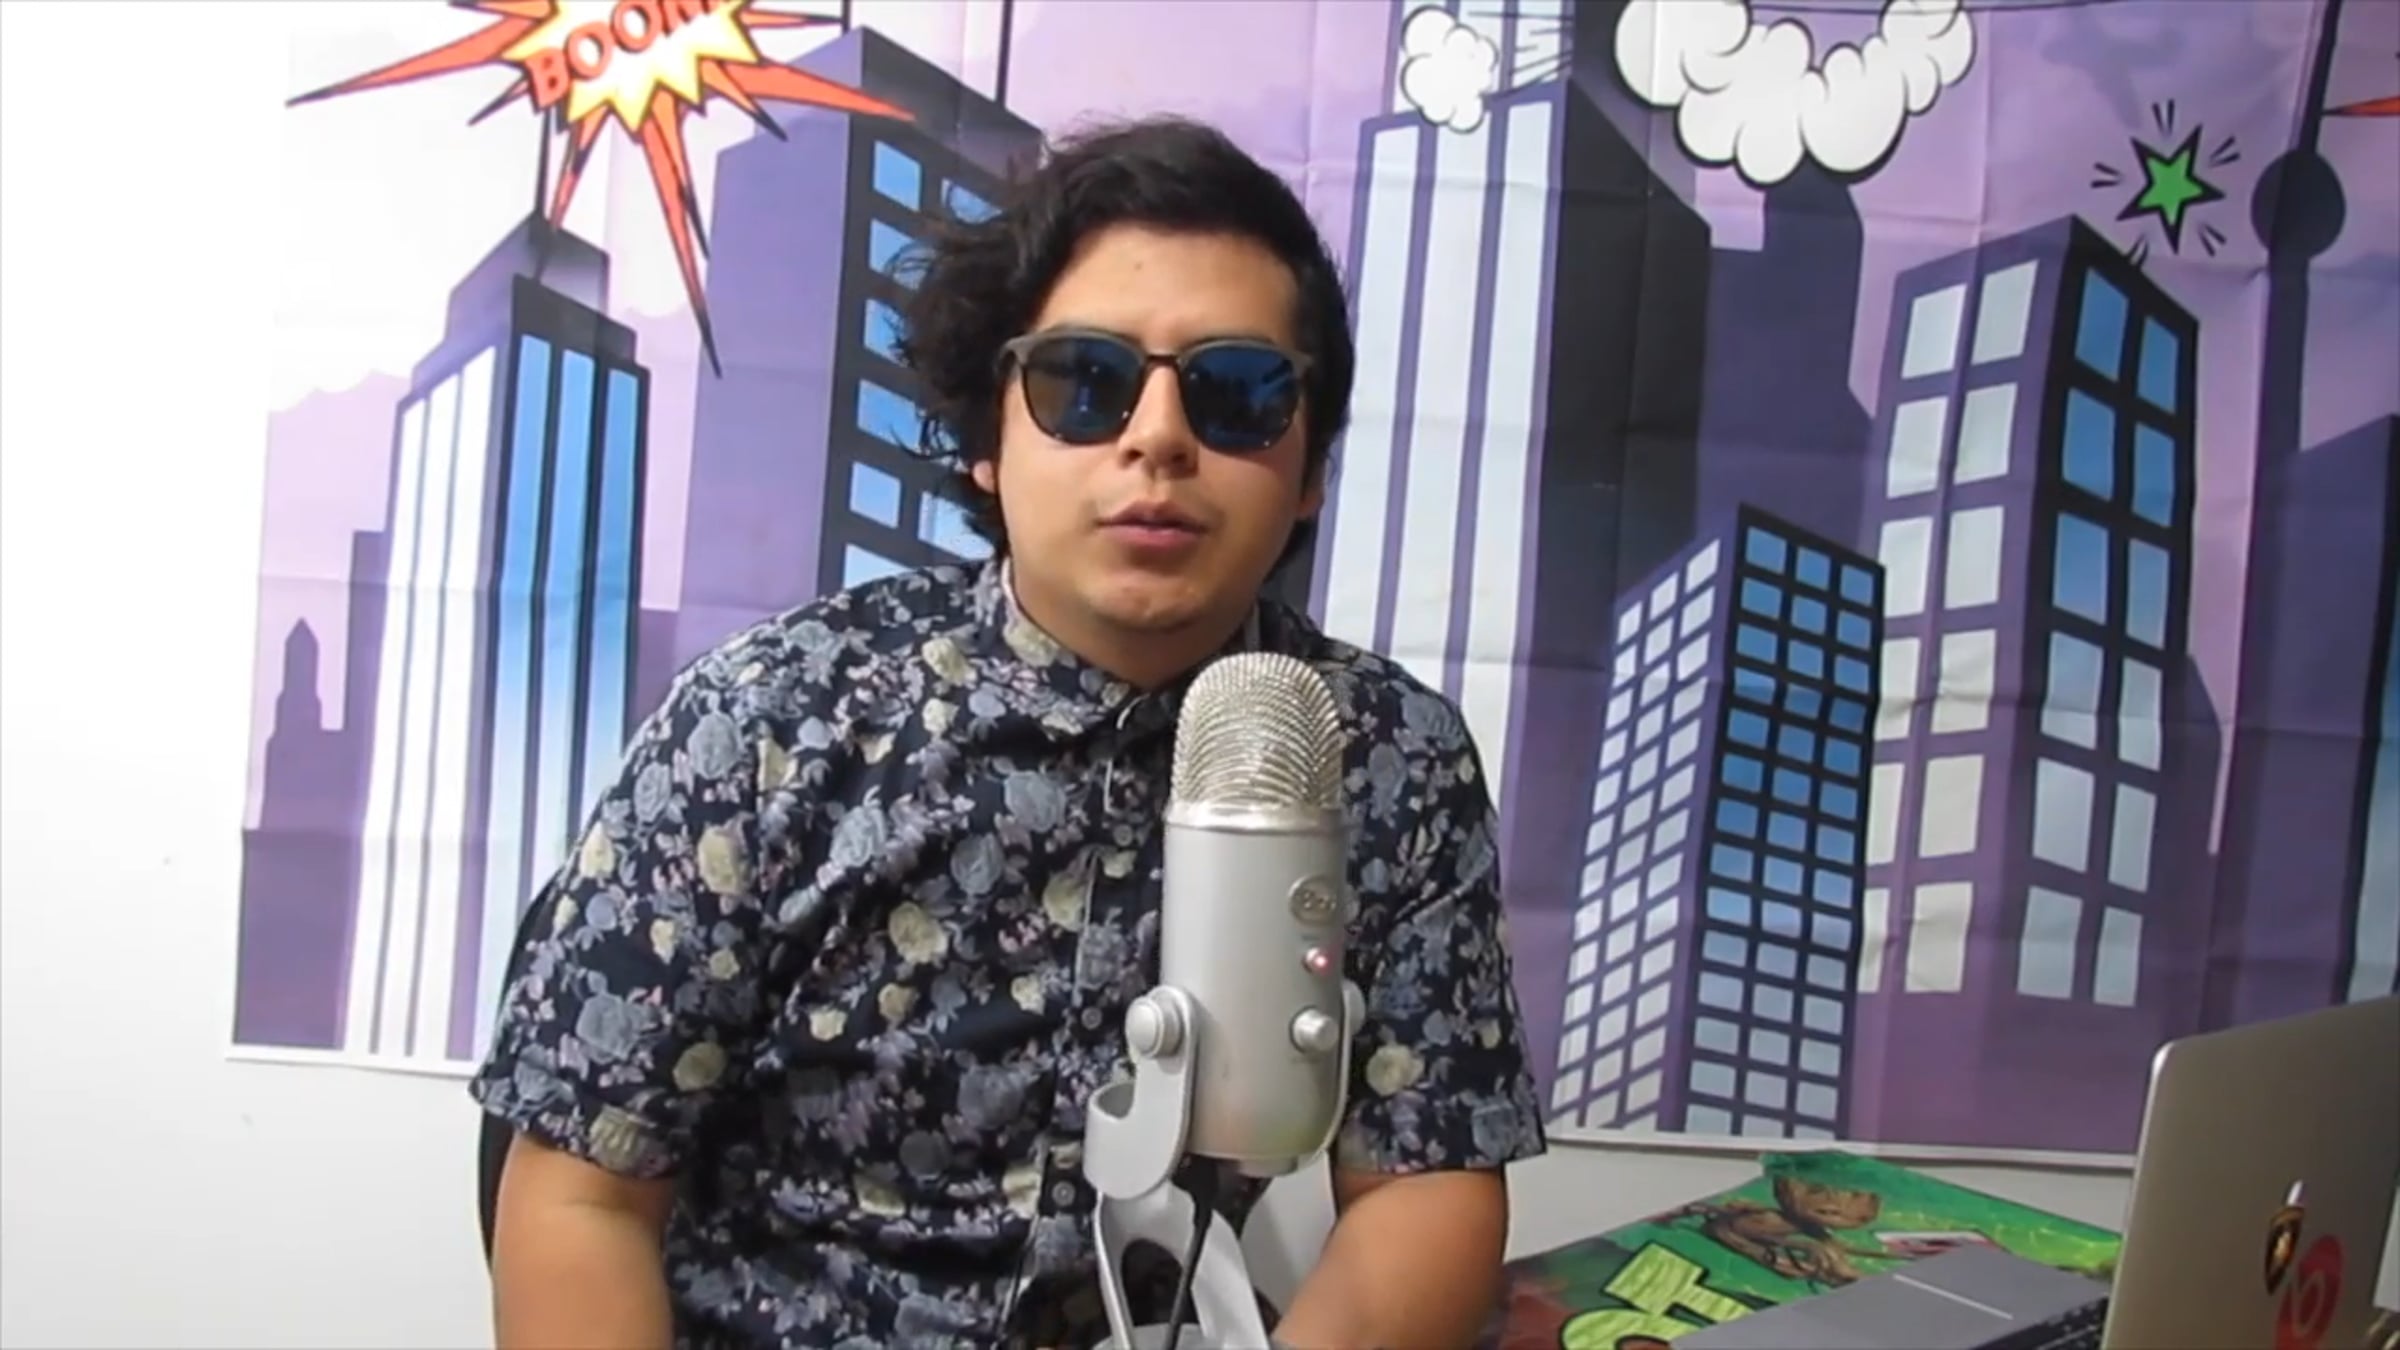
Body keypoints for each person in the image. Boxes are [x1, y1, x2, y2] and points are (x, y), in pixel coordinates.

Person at [470, 113, 1547, 1350]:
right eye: (1085, 382)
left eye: (1239, 393)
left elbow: (1427, 1183)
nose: (1158, 437)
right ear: (989, 440)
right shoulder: (770, 719)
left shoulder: (1387, 755)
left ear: (1307, 470)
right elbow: (582, 1194)